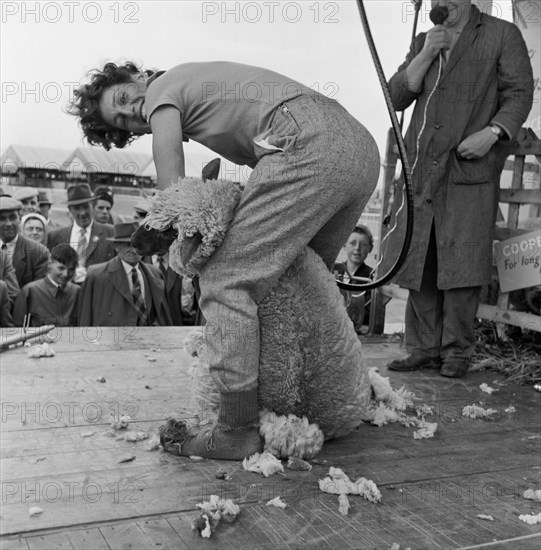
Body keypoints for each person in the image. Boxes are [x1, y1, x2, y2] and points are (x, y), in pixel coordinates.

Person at [69, 60, 379, 459]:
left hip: (307, 141)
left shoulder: (163, 90)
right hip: (357, 147)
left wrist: (172, 215)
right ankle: (322, 401)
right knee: (299, 281)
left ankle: (235, 430)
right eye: (125, 121)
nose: (133, 112)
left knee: (226, 280)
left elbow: (170, 169)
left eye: (124, 98)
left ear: (139, 77)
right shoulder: (197, 84)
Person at [385, 0, 533, 378]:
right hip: (422, 168)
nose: (438, 1)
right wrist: (427, 54)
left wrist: (494, 132)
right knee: (421, 257)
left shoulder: (502, 35)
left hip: (467, 165)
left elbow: (519, 93)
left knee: (462, 261)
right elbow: (396, 97)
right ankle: (421, 348)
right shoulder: (423, 41)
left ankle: (456, 352)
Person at [78, 222, 172, 326]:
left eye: (138, 246)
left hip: (148, 337)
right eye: (127, 245)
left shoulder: (155, 273)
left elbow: (164, 315)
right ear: (116, 246)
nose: (133, 250)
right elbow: (85, 316)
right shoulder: (96, 274)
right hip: (113, 338)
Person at [47, 184, 116, 283]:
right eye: (77, 208)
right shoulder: (54, 236)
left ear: (92, 205)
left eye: (85, 207)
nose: (82, 213)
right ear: (70, 210)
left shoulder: (110, 233)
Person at [13, 244, 80, 327]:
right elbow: (18, 328)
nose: (66, 274)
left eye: (71, 270)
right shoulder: (30, 291)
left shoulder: (77, 292)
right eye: (61, 268)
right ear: (50, 264)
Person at [0, 197, 49, 289]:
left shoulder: (39, 252)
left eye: (13, 217)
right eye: (2, 219)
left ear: (20, 219)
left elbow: (38, 295)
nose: (9, 223)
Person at [334, 225, 375, 333]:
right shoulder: (334, 270)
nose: (357, 248)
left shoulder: (372, 277)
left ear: (370, 248)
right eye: (352, 243)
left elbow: (369, 311)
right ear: (344, 245)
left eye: (363, 244)